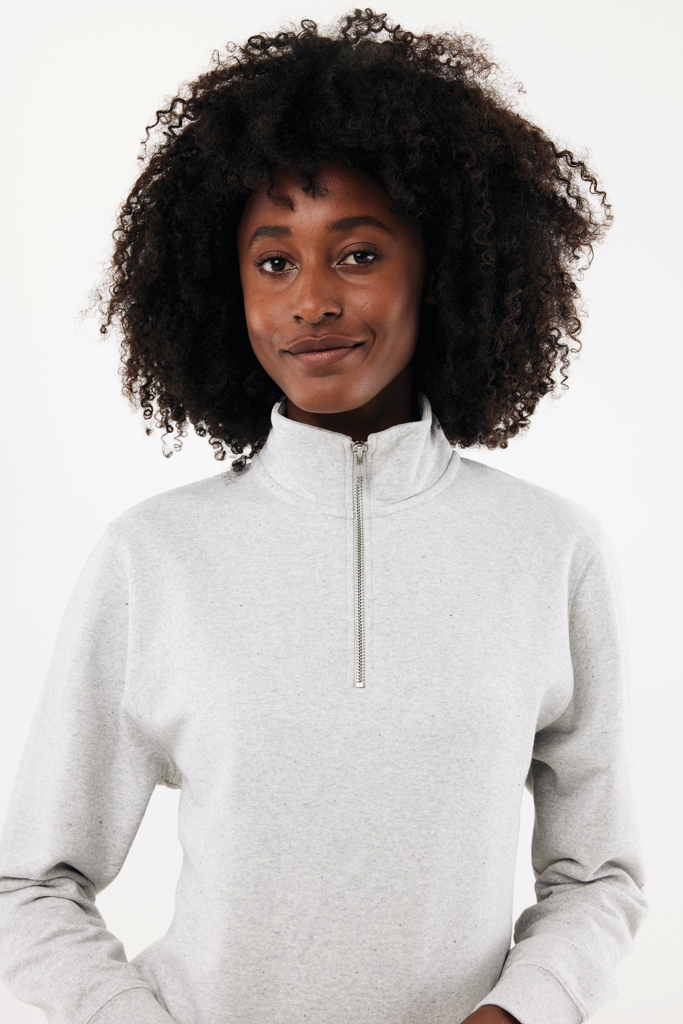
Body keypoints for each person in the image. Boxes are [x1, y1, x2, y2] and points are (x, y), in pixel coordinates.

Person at [0, 9, 647, 1024]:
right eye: (273, 262)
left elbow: (597, 874)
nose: (310, 301)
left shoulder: (548, 551)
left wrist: (517, 1012)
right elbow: (30, 885)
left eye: (356, 254)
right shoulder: (152, 556)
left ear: (439, 266)